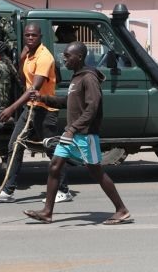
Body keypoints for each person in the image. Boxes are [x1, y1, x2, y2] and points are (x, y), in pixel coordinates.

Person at [23, 41, 131, 225]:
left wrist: (73, 129)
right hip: (72, 134)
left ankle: (121, 210)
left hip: (85, 135)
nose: (64, 59)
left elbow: (93, 107)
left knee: (96, 171)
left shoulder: (89, 78)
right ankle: (47, 212)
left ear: (79, 57)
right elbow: (68, 102)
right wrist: (43, 98)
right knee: (55, 166)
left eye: (67, 56)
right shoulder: (77, 77)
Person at [0, 22, 72, 203]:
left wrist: (11, 108)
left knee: (52, 150)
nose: (30, 38)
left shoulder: (45, 57)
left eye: (34, 35)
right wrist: (22, 59)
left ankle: (64, 190)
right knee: (14, 145)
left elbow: (34, 88)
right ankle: (8, 191)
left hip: (45, 110)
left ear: (40, 37)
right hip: (31, 108)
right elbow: (22, 79)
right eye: (27, 35)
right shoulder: (30, 55)